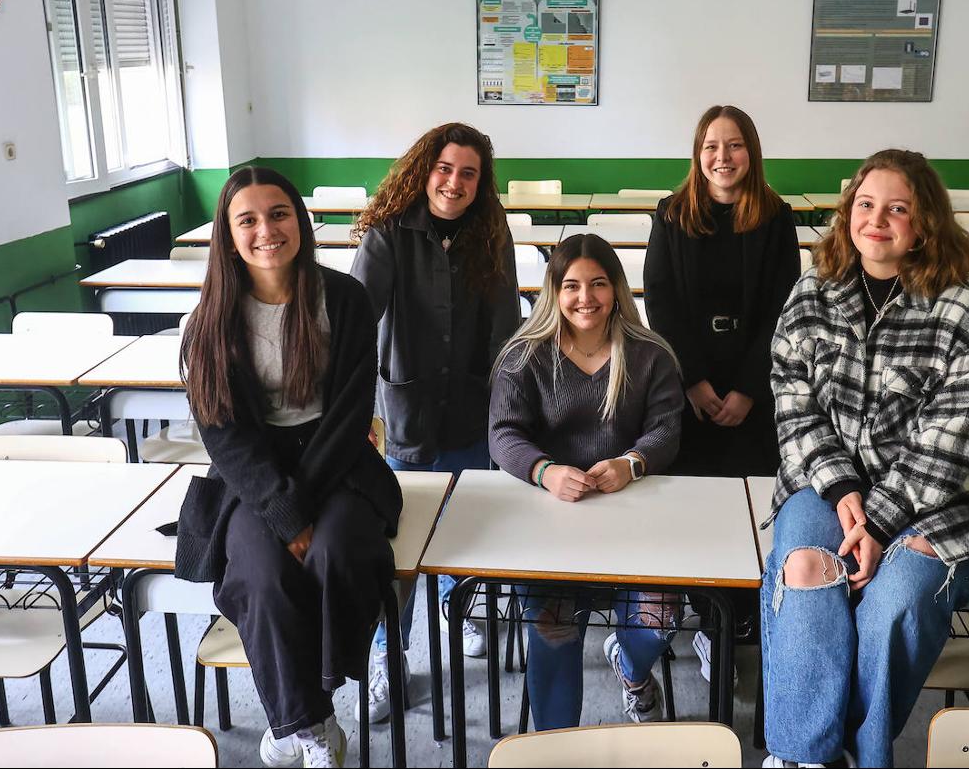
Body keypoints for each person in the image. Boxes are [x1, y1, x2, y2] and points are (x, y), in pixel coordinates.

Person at [759, 149, 969, 768]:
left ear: (924, 224)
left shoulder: (961, 308)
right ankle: (804, 757)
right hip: (825, 483)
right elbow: (793, 403)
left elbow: (949, 443)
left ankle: (850, 752)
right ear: (849, 215)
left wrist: (875, 523)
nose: (877, 220)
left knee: (893, 603)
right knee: (806, 570)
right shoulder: (813, 292)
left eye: (897, 209)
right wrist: (844, 492)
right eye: (865, 205)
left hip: (944, 498)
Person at [176, 166, 402, 769]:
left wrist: (301, 511)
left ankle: (308, 704)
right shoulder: (207, 323)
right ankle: (310, 727)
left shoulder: (345, 299)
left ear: (299, 219)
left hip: (338, 461)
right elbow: (225, 435)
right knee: (259, 572)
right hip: (251, 474)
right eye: (246, 219)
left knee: (339, 552)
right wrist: (281, 510)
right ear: (226, 235)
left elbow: (352, 411)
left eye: (278, 213)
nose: (266, 230)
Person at [350, 122, 520, 721]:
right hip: (406, 414)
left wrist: (505, 414)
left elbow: (505, 328)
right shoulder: (389, 233)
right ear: (425, 170)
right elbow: (356, 323)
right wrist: (362, 415)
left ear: (481, 182)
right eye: (445, 169)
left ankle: (464, 608)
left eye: (468, 173)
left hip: (471, 411)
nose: (454, 182)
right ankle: (385, 653)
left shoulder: (491, 232)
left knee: (465, 529)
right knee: (393, 550)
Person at [489, 233, 684, 728]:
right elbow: (503, 434)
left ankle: (632, 667)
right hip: (552, 525)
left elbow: (666, 429)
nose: (586, 298)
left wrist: (631, 463)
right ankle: (555, 747)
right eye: (572, 285)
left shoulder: (649, 354)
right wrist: (545, 471)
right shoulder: (525, 356)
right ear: (553, 291)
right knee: (553, 628)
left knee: (661, 619)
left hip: (635, 520)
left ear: (617, 289)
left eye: (598, 284)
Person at [643, 103, 800, 677]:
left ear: (751, 153)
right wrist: (695, 382)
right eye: (712, 146)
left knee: (750, 506)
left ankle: (739, 616)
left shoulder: (777, 218)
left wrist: (749, 389)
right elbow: (659, 300)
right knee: (696, 501)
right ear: (697, 153)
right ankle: (705, 616)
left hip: (753, 390)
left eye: (734, 146)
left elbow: (785, 308)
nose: (722, 157)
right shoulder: (671, 214)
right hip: (690, 386)